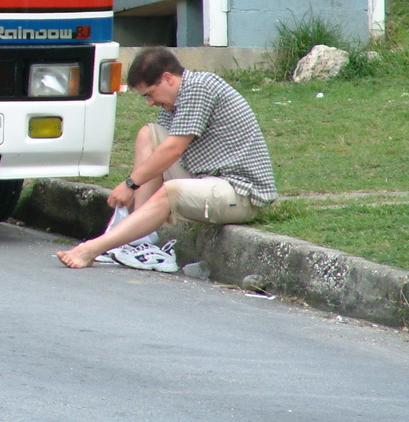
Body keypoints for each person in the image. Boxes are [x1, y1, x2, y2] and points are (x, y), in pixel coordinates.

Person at [57, 46, 277, 270]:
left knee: (170, 192)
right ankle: (137, 241)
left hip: (239, 192)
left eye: (150, 94)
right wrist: (134, 184)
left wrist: (130, 183)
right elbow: (160, 155)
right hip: (206, 178)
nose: (150, 103)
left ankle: (93, 248)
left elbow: (173, 150)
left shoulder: (198, 87)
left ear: (168, 78)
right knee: (148, 135)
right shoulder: (173, 100)